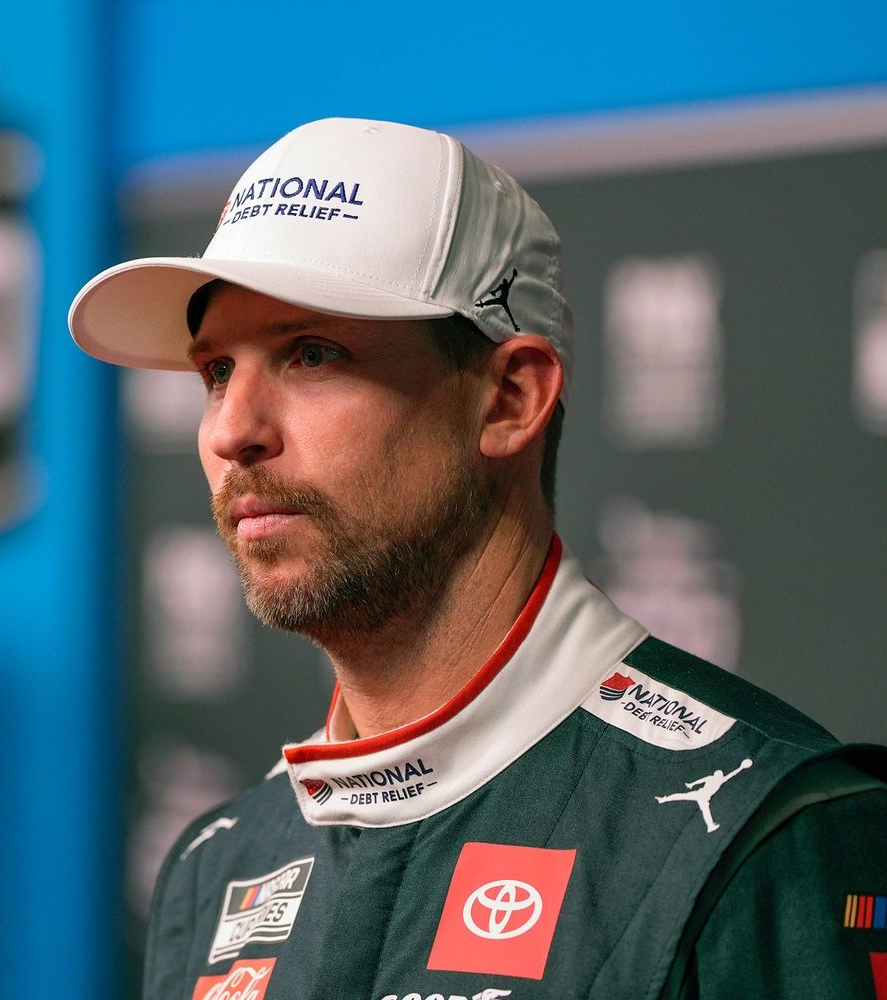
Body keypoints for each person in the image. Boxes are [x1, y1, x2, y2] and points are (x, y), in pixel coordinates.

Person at [68, 118, 887, 999]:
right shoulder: (217, 865)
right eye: (217, 371)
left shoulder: (764, 832)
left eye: (312, 354)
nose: (232, 430)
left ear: (510, 398)